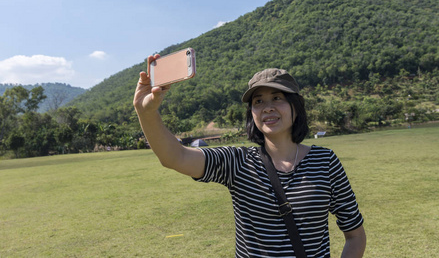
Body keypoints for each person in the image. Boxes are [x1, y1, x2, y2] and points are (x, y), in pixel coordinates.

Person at [134, 57, 366, 258]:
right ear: (252, 113)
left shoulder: (325, 161)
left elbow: (355, 235)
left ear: (295, 106)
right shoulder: (238, 162)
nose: (267, 107)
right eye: (258, 101)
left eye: (277, 98)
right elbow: (175, 157)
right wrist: (146, 112)